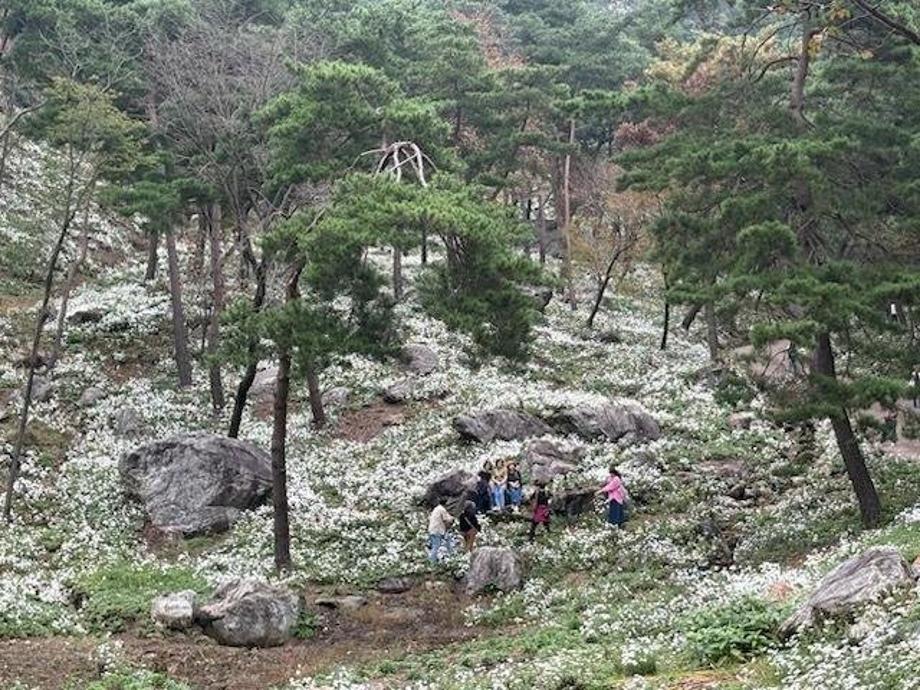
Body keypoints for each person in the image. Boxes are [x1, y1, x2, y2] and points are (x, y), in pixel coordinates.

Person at [427, 498, 454, 562]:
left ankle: (434, 559)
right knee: (436, 545)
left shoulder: (436, 508)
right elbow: (446, 520)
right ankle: (432, 560)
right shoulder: (442, 510)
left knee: (436, 544)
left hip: (432, 529)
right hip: (437, 530)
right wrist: (451, 521)